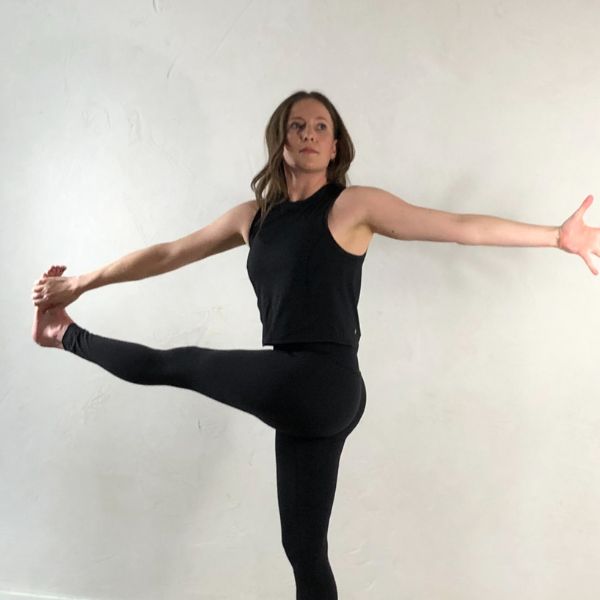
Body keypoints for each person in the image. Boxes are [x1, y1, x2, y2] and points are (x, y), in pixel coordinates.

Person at [31, 90, 599, 599]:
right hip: (301, 390)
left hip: (322, 380)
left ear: (335, 147)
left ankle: (62, 334)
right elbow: (168, 253)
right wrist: (82, 282)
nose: (309, 134)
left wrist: (557, 236)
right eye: (297, 126)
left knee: (174, 364)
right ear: (280, 142)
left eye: (321, 127)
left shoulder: (352, 206)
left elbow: (458, 226)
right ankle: (63, 325)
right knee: (304, 552)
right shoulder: (253, 218)